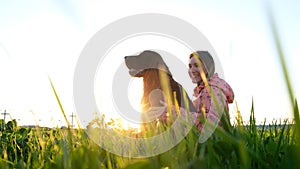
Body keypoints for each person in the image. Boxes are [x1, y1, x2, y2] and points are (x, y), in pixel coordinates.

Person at [188, 51, 234, 142]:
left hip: (215, 144)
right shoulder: (205, 91)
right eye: (190, 66)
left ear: (208, 67)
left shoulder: (213, 90)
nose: (192, 70)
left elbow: (211, 121)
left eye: (197, 65)